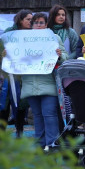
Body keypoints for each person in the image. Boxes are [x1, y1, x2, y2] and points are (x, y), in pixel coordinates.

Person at [21, 13, 64, 147]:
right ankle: (40, 145)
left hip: (48, 84)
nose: (38, 25)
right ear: (31, 25)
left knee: (49, 115)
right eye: (35, 22)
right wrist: (7, 55)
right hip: (30, 84)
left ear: (46, 25)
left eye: (41, 23)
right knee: (37, 116)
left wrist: (59, 56)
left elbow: (66, 58)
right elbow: (16, 57)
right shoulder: (23, 39)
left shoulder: (54, 38)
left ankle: (52, 145)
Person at [2, 9, 33, 137]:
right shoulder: (9, 32)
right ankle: (1, 132)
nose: (31, 22)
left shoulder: (33, 34)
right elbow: (1, 46)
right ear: (21, 20)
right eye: (28, 19)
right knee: (6, 102)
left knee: (21, 103)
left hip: (24, 73)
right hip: (9, 73)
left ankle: (19, 131)